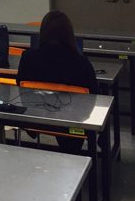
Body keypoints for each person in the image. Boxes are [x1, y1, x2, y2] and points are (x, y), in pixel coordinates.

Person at [16, 10, 97, 151]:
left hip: (35, 117)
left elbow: (20, 84)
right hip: (71, 121)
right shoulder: (81, 62)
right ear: (69, 34)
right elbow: (94, 94)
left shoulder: (28, 57)